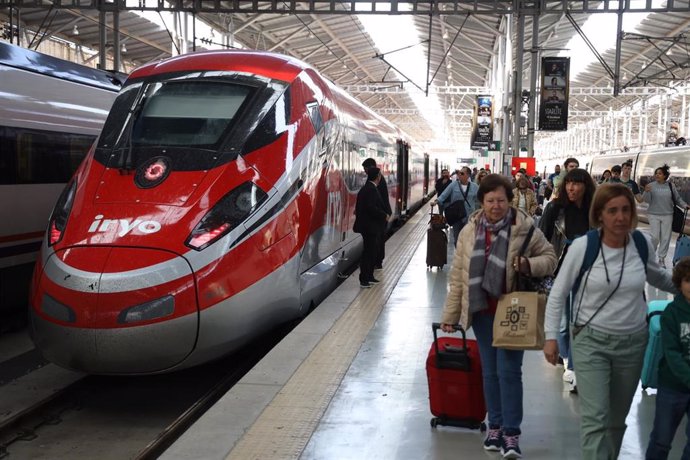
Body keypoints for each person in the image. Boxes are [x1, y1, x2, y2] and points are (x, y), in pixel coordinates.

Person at [543, 183, 676, 460]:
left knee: (616, 421)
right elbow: (558, 293)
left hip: (633, 343)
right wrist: (551, 336)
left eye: (626, 210)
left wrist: (684, 286)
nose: (620, 217)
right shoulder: (584, 247)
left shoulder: (642, 243)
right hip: (592, 342)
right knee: (596, 420)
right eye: (612, 210)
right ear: (599, 215)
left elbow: (658, 276)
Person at [441, 174, 557, 459]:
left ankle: (511, 433)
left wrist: (529, 264)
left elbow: (551, 258)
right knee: (490, 372)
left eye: (501, 200)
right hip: (481, 310)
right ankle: (494, 426)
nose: (496, 206)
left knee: (509, 372)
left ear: (509, 200)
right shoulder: (469, 231)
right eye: (490, 200)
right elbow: (458, 276)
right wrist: (451, 314)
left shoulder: (525, 226)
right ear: (482, 202)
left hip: (513, 310)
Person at [539, 168, 597, 390]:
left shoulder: (593, 210)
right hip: (560, 269)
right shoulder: (555, 208)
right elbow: (542, 236)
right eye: (568, 183)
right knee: (563, 320)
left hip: (586, 269)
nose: (572, 188)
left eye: (577, 183)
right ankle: (566, 358)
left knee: (580, 319)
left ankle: (574, 364)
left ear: (585, 186)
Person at [646, 257, 690, 460]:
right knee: (661, 441)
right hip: (672, 387)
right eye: (688, 280)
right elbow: (672, 354)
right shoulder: (671, 313)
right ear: (680, 283)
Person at [643, 164, 690, 268]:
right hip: (653, 214)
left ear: (665, 175)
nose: (657, 175)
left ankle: (661, 259)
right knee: (655, 237)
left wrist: (685, 205)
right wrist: (646, 192)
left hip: (668, 214)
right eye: (656, 173)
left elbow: (677, 198)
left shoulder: (670, 186)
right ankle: (650, 257)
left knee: (665, 237)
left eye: (659, 173)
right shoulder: (651, 185)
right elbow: (646, 200)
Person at [353, 167, 388, 288]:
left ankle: (369, 276)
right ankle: (364, 279)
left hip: (370, 226)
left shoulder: (369, 188)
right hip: (370, 227)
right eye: (380, 175)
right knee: (368, 252)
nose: (381, 177)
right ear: (377, 176)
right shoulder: (370, 189)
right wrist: (384, 215)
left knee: (371, 251)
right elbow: (371, 207)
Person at [432, 166, 479, 247]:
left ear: (468, 175)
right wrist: (436, 201)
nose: (459, 175)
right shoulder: (453, 185)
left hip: (469, 215)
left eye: (462, 173)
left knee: (468, 237)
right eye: (459, 173)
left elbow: (479, 199)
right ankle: (458, 253)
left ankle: (465, 254)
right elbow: (444, 194)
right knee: (457, 237)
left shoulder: (474, 187)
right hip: (456, 215)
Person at [362, 158, 392, 270]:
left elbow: (374, 202)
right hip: (382, 214)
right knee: (379, 239)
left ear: (371, 168)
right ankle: (377, 261)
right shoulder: (379, 180)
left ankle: (377, 262)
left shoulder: (376, 182)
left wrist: (383, 215)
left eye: (365, 169)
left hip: (380, 215)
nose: (365, 171)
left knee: (378, 240)